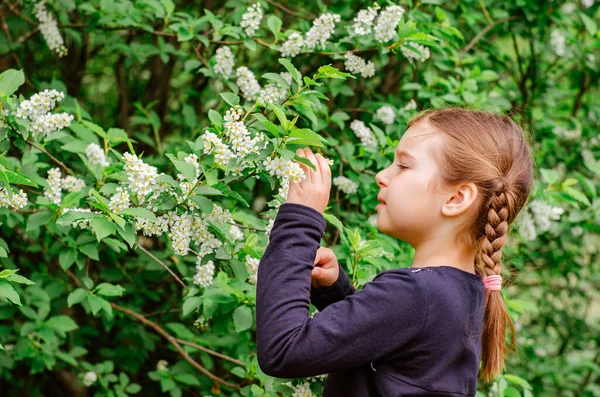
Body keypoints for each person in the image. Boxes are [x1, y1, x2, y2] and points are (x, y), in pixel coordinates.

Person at [255, 107, 534, 396]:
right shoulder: (463, 292)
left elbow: (284, 349)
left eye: (402, 166)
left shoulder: (417, 295)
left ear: (456, 198)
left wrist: (299, 219)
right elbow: (387, 351)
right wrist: (335, 293)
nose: (381, 175)